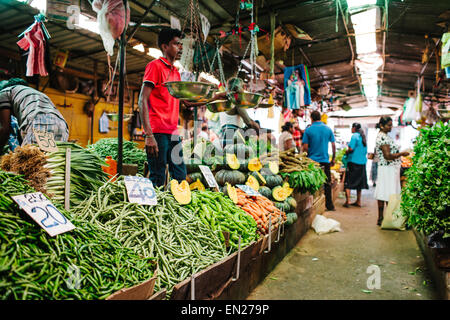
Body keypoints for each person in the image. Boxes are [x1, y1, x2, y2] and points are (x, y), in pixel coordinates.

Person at [139, 28, 194, 187]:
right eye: (176, 44)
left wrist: (215, 97)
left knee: (180, 176)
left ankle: (176, 210)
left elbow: (187, 102)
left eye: (181, 44)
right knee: (157, 176)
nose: (180, 48)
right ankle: (152, 211)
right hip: (156, 132)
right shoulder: (155, 66)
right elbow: (142, 99)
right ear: (165, 47)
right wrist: (149, 135)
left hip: (172, 133)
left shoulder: (176, 72)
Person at [0, 78, 69, 151]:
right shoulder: (31, 93)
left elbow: (5, 129)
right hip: (62, 125)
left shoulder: (4, 93)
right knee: (50, 160)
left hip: (41, 123)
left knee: (29, 159)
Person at [374, 116, 410, 226]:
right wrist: (402, 153)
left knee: (383, 192)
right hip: (388, 168)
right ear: (381, 125)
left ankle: (382, 218)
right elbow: (388, 156)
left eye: (391, 124)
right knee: (389, 193)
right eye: (388, 125)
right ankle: (391, 218)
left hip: (386, 168)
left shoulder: (384, 136)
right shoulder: (383, 137)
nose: (391, 127)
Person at [302, 110, 336, 211]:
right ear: (320, 118)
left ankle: (312, 206)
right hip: (325, 160)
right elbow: (333, 145)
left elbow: (305, 147)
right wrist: (333, 158)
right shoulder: (328, 129)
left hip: (312, 162)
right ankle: (329, 205)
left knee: (313, 184)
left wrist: (308, 155)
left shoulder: (308, 130)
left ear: (311, 118)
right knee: (327, 183)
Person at [343, 123, 369, 208]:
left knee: (348, 181)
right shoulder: (363, 136)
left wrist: (346, 151)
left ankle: (348, 201)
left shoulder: (354, 136)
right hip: (362, 163)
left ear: (354, 128)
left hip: (353, 162)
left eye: (352, 127)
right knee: (359, 182)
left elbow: (351, 149)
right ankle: (358, 201)